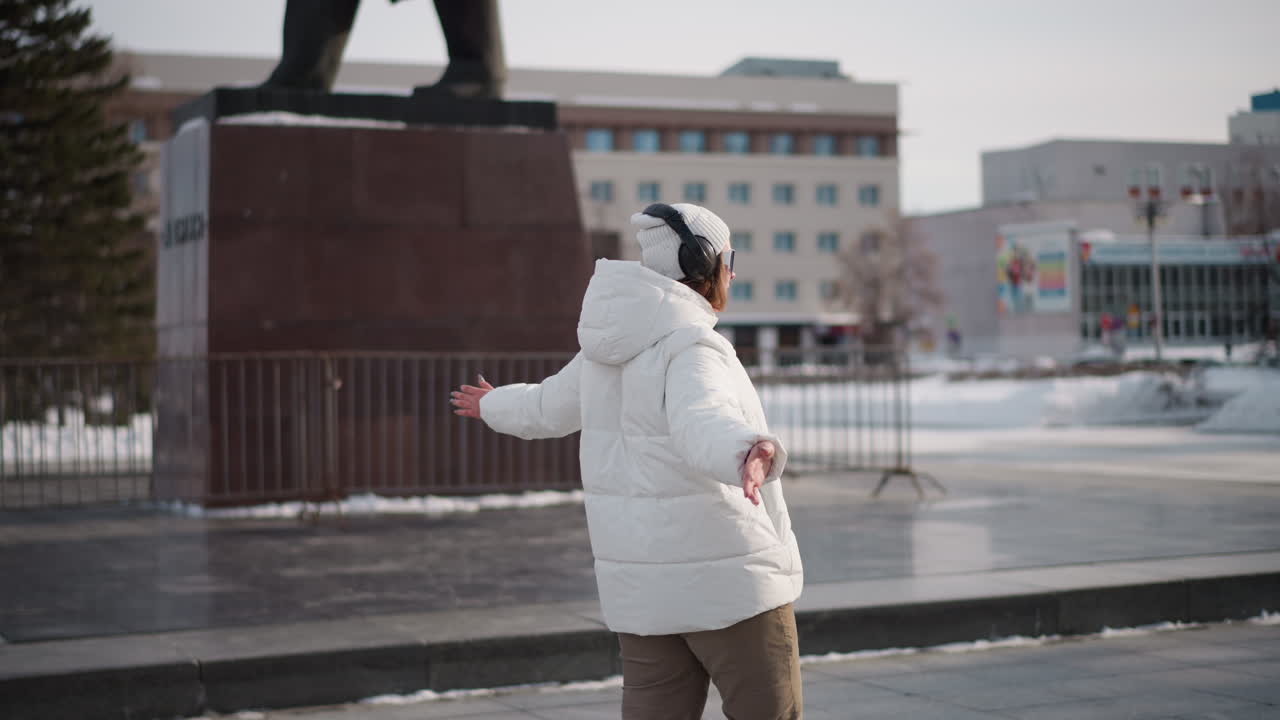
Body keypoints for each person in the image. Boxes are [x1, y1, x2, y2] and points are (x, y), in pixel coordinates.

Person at [452, 203, 804, 719]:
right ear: (705, 263)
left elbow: (546, 406)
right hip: (728, 585)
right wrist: (749, 451)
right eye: (730, 258)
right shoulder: (693, 346)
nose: (733, 270)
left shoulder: (603, 352)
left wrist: (495, 404)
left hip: (643, 592)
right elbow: (702, 419)